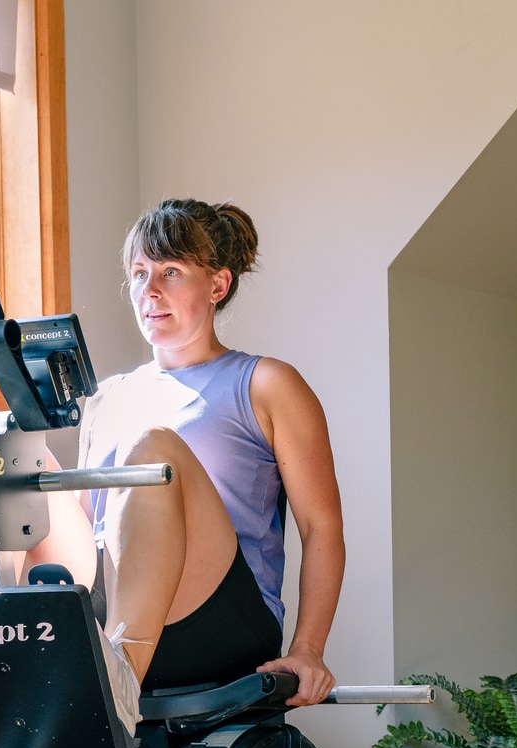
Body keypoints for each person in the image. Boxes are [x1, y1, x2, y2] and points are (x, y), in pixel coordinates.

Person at [26, 198, 345, 710]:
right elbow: (86, 536)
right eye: (138, 273)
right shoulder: (108, 397)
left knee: (152, 449)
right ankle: (2, 652)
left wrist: (308, 650)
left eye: (170, 272)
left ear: (217, 285)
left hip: (217, 621)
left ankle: (116, 688)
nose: (149, 291)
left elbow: (321, 527)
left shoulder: (266, 383)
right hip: (114, 605)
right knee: (15, 459)